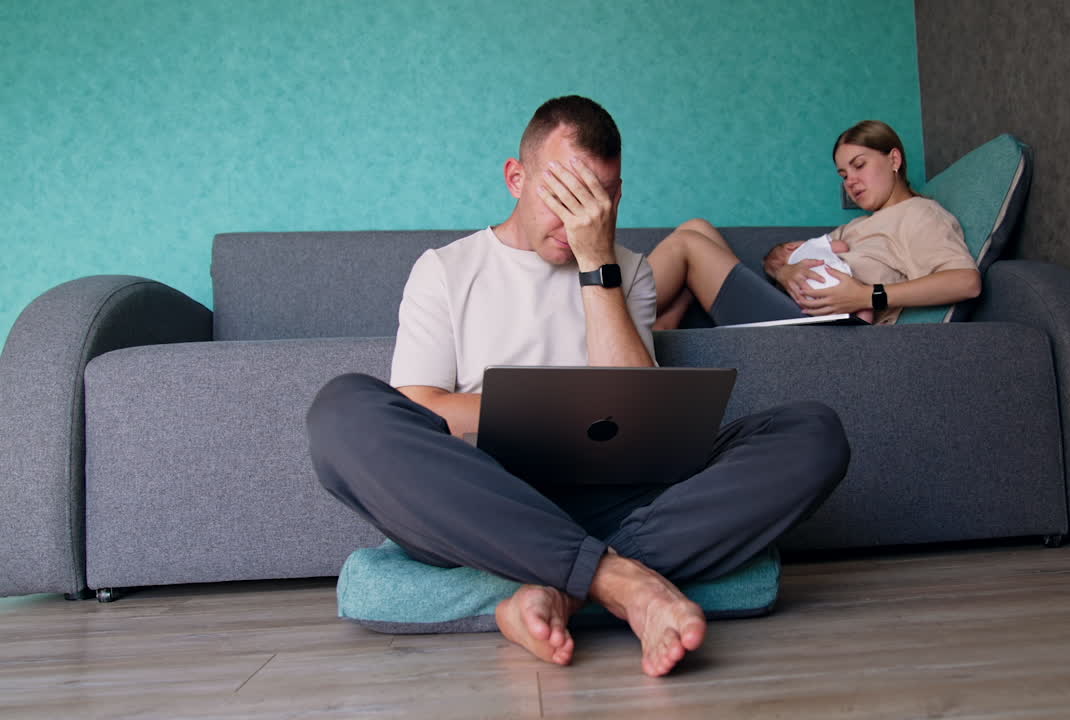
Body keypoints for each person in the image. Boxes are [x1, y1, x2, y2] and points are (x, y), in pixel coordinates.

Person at [305, 96, 850, 678]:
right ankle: (622, 582)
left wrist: (597, 264)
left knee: (812, 433)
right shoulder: (445, 269)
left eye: (599, 198)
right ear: (516, 178)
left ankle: (559, 586)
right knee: (343, 410)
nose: (578, 218)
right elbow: (422, 407)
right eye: (563, 193)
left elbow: (639, 416)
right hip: (489, 501)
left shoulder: (628, 270)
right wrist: (545, 416)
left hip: (620, 497)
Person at [648, 120, 981, 330]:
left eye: (859, 165)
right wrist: (784, 272)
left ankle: (616, 316)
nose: (851, 182)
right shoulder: (856, 227)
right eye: (843, 174)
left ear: (894, 159)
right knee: (697, 227)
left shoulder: (919, 214)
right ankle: (661, 331)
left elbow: (966, 282)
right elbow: (796, 257)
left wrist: (866, 296)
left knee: (687, 245)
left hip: (826, 330)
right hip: (795, 308)